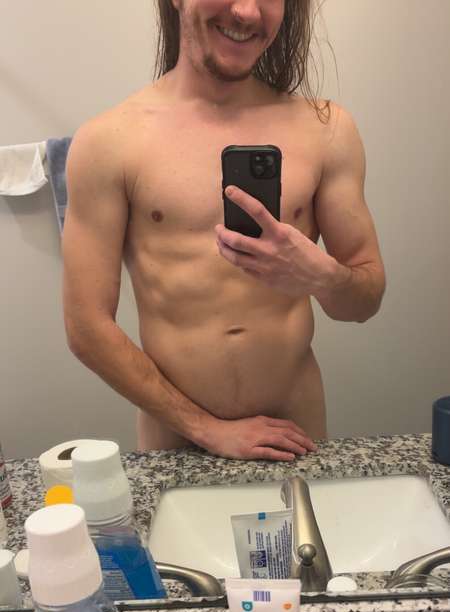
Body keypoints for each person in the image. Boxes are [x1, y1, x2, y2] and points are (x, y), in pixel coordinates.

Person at [62, 0, 385, 462]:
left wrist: (322, 277)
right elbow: (86, 327)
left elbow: (365, 301)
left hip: (293, 436)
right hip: (177, 445)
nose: (248, 12)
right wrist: (208, 429)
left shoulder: (326, 129)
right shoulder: (108, 142)